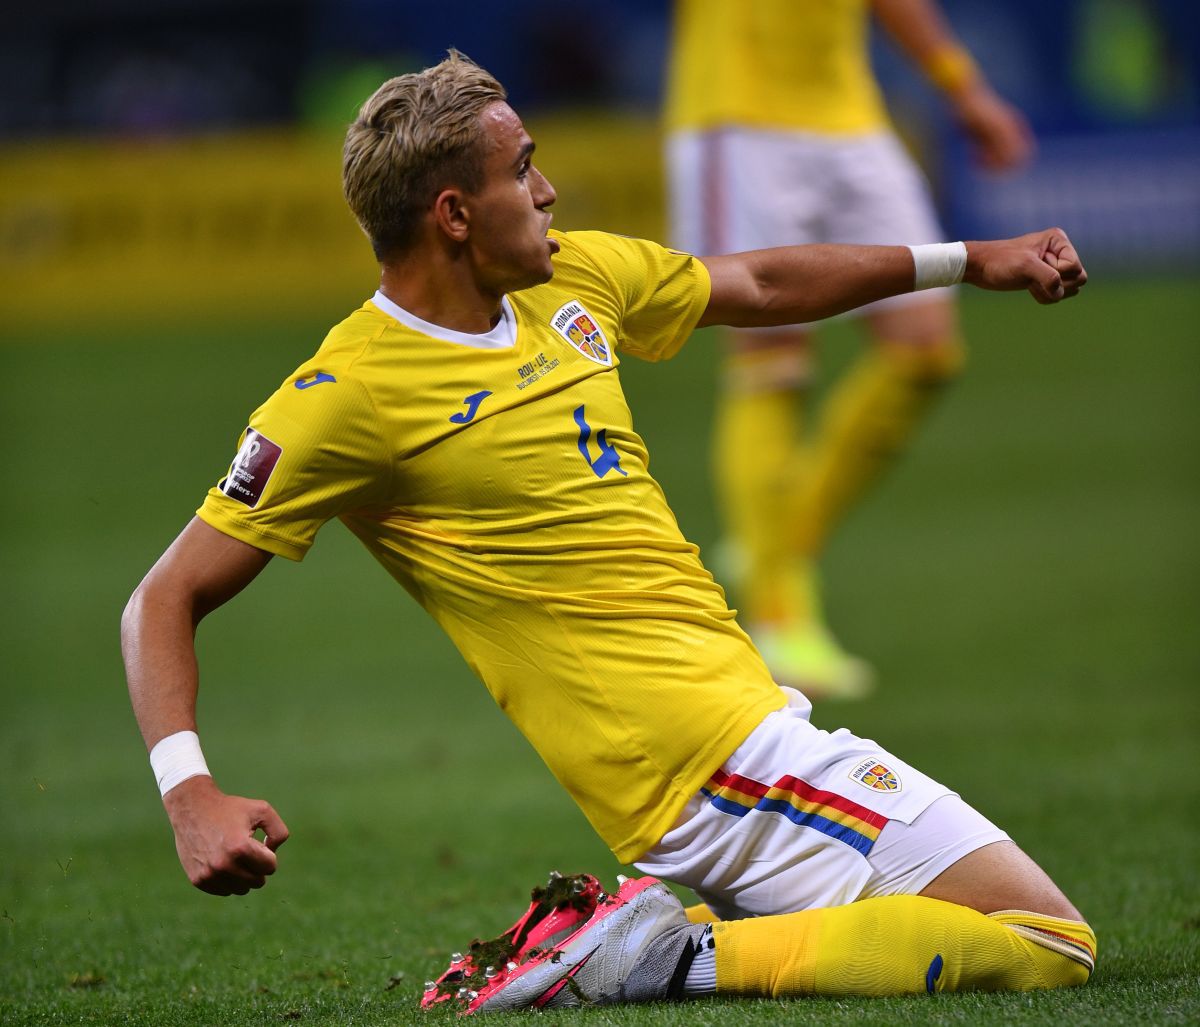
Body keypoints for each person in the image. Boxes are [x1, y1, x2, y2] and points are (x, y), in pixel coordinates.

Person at [121, 53, 1094, 1013]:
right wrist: (188, 792)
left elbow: (755, 283)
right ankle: (649, 960)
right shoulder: (347, 397)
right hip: (709, 761)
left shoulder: (568, 280)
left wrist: (967, 260)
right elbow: (164, 595)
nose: (548, 189)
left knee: (931, 945)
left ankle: (659, 952)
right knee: (1046, 941)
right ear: (454, 214)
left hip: (726, 733)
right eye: (521, 170)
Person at [664, 0, 1035, 698]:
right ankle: (778, 611)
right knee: (771, 364)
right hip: (737, 114)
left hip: (847, 113)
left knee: (925, 352)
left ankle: (776, 542)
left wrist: (963, 86)